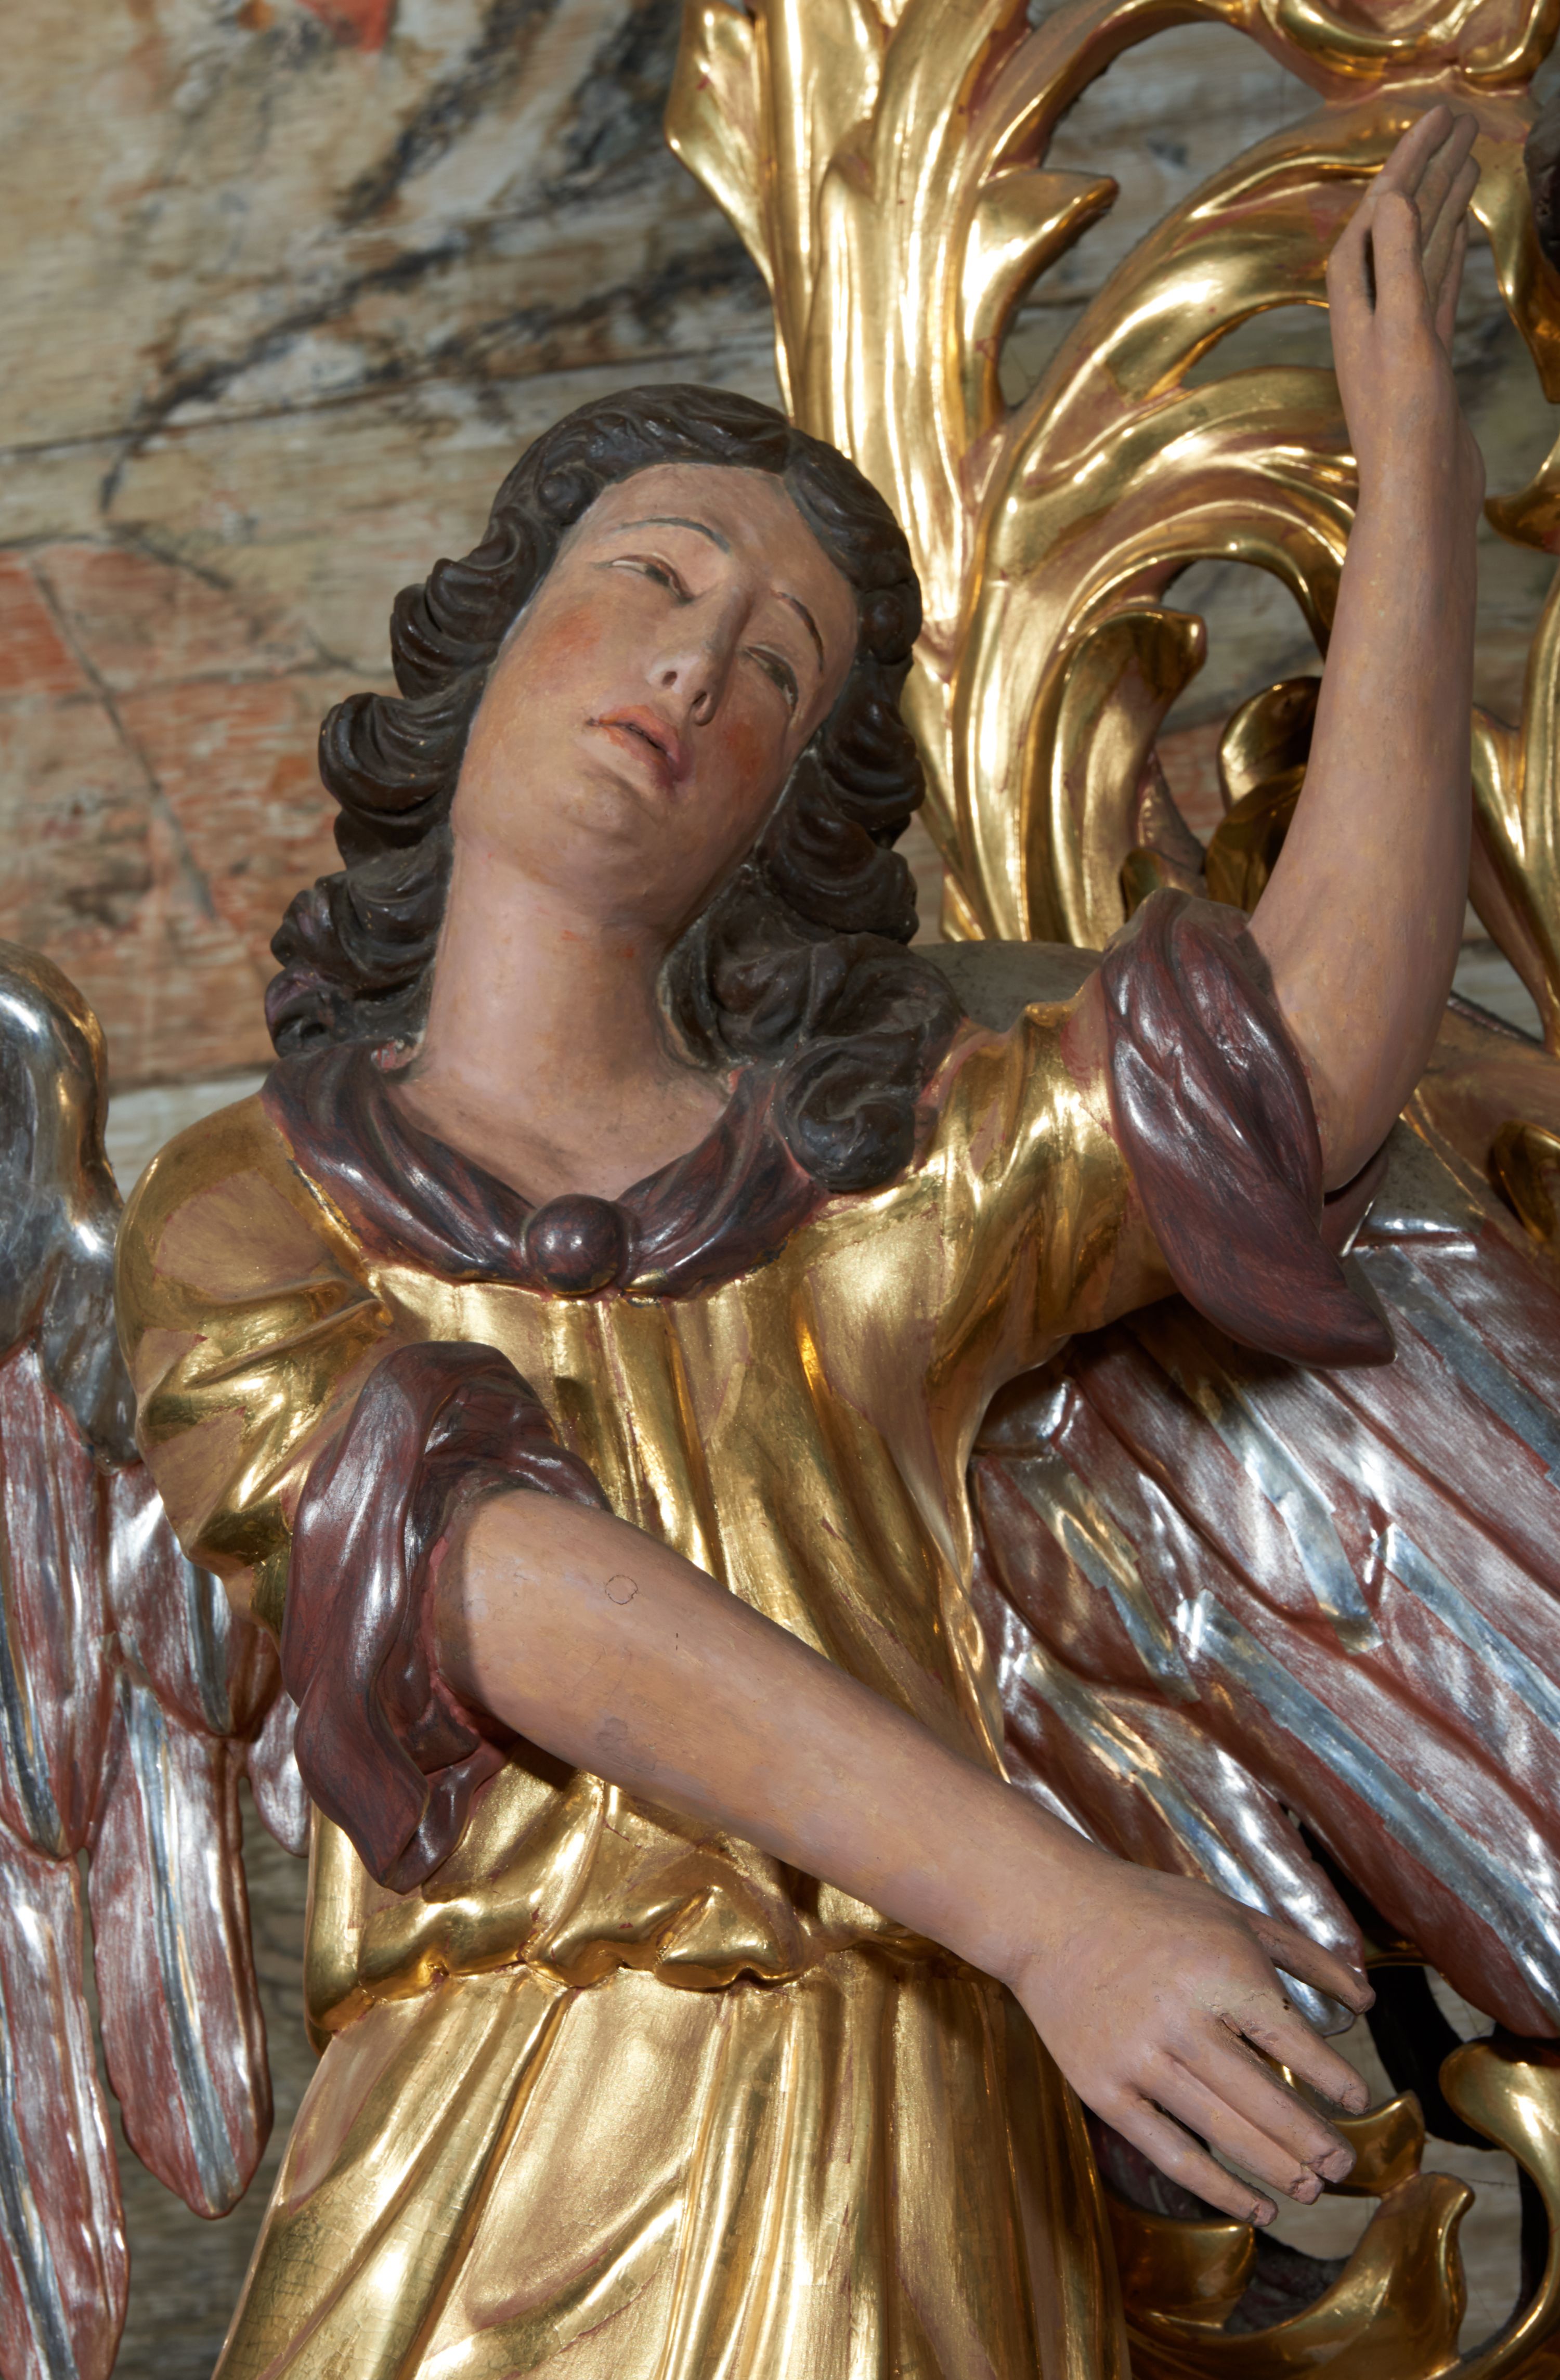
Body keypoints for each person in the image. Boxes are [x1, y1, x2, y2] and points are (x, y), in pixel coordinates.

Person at [117, 109, 1484, 2377]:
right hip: (485, 2152)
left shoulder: (882, 1186)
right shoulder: (259, 1198)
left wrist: (1414, 466)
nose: (694, 668)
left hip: (899, 2141)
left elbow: (1305, 1060)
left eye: (777, 666)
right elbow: (471, 1562)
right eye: (651, 581)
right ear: (486, 644)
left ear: (792, 805)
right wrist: (1054, 1911)